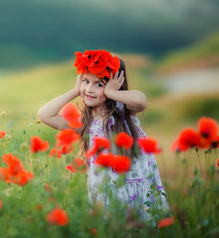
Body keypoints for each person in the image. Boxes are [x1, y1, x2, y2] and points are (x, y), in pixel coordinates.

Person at [38, 50, 170, 221]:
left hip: (137, 187)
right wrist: (75, 91)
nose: (90, 90)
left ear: (114, 85)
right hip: (106, 191)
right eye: (86, 81)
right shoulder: (85, 122)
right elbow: (44, 115)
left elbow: (141, 100)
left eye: (99, 84)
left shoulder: (124, 112)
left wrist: (112, 93)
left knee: (142, 227)